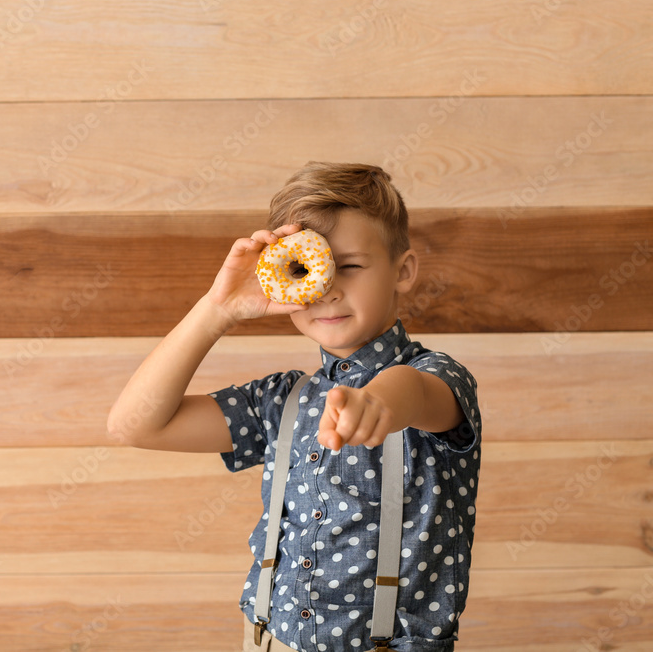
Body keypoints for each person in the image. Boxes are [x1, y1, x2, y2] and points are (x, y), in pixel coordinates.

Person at [107, 162, 481, 651]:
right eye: (307, 269)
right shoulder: (282, 401)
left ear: (402, 271)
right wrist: (216, 310)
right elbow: (134, 425)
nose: (327, 289)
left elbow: (412, 393)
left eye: (349, 266)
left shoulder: (441, 378)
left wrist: (377, 401)